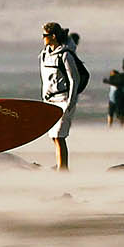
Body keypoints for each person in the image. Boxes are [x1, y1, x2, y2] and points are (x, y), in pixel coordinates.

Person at [40, 22, 83, 169]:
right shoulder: (45, 54)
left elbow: (74, 79)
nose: (42, 38)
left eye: (45, 35)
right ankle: (60, 164)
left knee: (59, 135)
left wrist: (71, 102)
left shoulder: (65, 55)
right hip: (50, 99)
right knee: (53, 135)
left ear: (53, 36)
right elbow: (45, 78)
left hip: (63, 99)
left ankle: (63, 168)